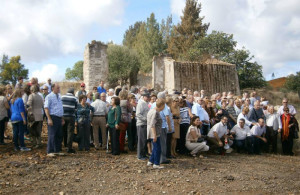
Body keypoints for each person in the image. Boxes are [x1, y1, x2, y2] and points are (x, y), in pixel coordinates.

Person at [44, 83, 65, 157]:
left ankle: (57, 150)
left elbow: (60, 108)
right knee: (52, 134)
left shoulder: (59, 96)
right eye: (57, 88)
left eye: (59, 88)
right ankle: (50, 151)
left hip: (59, 117)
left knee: (59, 135)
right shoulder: (49, 97)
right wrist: (49, 119)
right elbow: (46, 108)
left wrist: (62, 118)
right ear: (52, 88)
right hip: (53, 117)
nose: (59, 89)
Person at [146, 98, 165, 169]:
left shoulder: (151, 110)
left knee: (155, 147)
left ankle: (151, 160)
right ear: (162, 105)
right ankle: (156, 163)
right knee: (158, 148)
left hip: (151, 131)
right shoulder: (155, 112)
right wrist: (154, 135)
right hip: (154, 132)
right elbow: (152, 124)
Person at [61, 88, 78, 153]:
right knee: (70, 132)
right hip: (71, 117)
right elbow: (76, 109)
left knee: (63, 131)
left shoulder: (62, 97)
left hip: (63, 116)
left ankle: (62, 145)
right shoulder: (74, 98)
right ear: (73, 92)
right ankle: (69, 147)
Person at [136, 90, 150, 160]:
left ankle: (143, 154)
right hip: (141, 124)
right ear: (143, 97)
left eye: (148, 97)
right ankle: (140, 155)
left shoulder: (146, 103)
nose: (148, 98)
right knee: (141, 140)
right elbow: (138, 114)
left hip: (146, 123)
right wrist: (145, 119)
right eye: (147, 97)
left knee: (145, 140)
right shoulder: (141, 103)